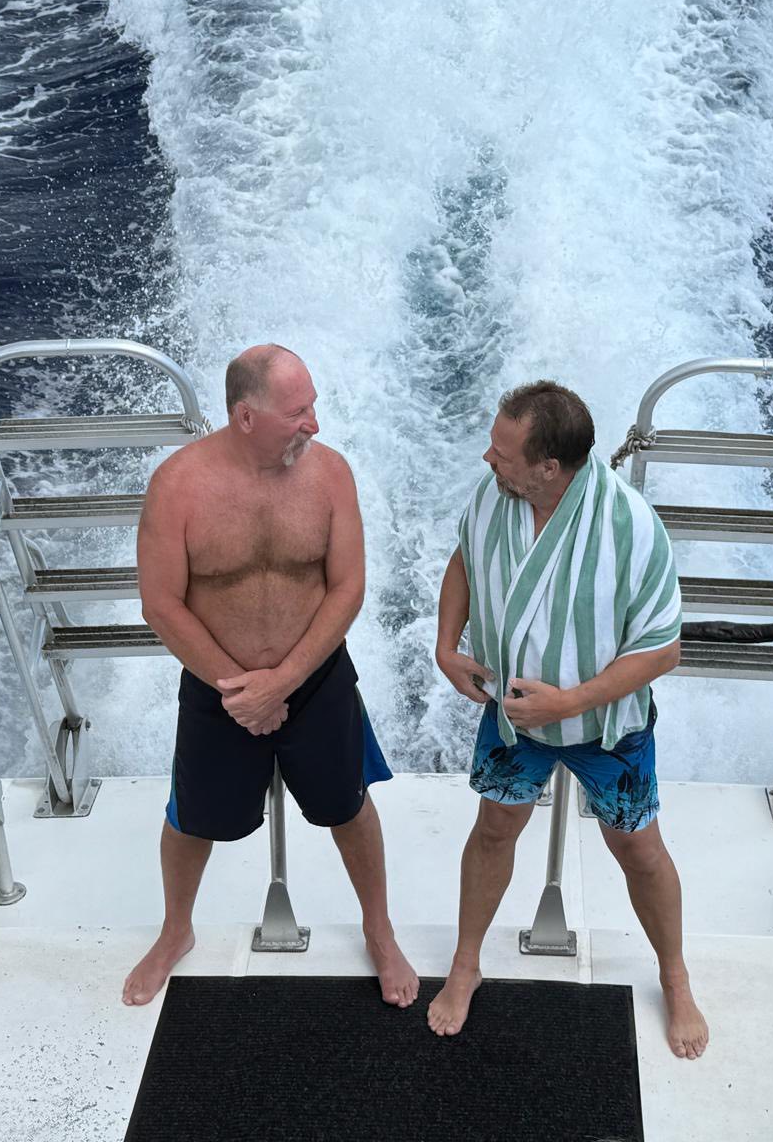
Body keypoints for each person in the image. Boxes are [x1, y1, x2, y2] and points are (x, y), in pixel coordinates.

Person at [121, 344, 418, 1010]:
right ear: (245, 416)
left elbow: (348, 587)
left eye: (312, 406)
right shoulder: (178, 486)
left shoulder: (331, 475)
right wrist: (241, 688)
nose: (314, 423)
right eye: (296, 412)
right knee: (192, 818)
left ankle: (379, 929)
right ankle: (176, 930)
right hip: (218, 687)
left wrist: (282, 680)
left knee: (348, 807)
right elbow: (160, 604)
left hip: (314, 677)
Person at [426, 380, 710, 1059]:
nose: (487, 460)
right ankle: (465, 964)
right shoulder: (494, 495)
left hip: (606, 729)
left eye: (502, 453)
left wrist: (570, 702)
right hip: (511, 717)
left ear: (549, 468)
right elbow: (464, 559)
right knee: (494, 830)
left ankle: (675, 977)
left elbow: (663, 649)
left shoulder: (630, 525)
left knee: (638, 849)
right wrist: (446, 646)